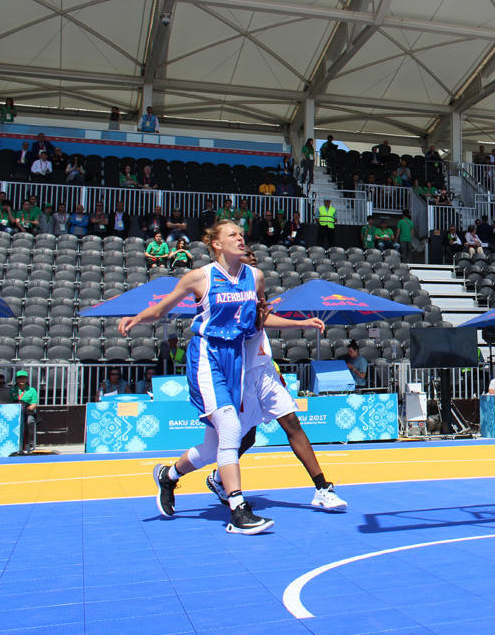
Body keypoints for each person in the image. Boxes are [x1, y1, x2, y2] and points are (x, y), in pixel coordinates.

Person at [128, 220, 323, 534]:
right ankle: (238, 509)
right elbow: (162, 309)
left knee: (212, 448)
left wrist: (301, 323)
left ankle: (168, 476)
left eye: (242, 234)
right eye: (232, 234)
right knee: (232, 428)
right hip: (207, 355)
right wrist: (136, 318)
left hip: (237, 360)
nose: (240, 238)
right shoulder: (199, 278)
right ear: (216, 244)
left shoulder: (255, 278)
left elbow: (260, 320)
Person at [196, 249, 347, 514]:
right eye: (248, 263)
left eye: (256, 265)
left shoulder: (255, 295)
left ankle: (323, 488)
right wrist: (262, 316)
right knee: (246, 437)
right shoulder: (227, 299)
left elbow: (264, 320)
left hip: (264, 371)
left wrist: (303, 323)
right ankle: (214, 478)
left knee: (291, 423)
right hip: (241, 374)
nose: (254, 268)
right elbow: (253, 323)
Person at [11, 370, 39, 452]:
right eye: (19, 378)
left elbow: (34, 404)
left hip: (27, 411)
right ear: (16, 379)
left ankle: (28, 442)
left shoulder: (32, 390)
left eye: (23, 378)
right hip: (15, 412)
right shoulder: (12, 390)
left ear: (27, 379)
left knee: (29, 421)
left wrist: (25, 409)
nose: (21, 380)